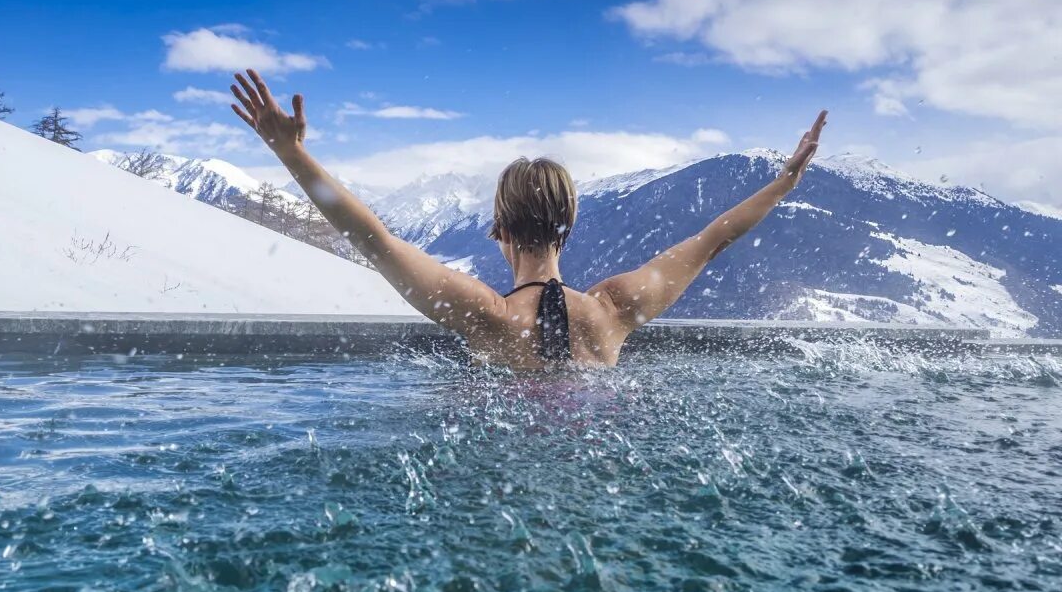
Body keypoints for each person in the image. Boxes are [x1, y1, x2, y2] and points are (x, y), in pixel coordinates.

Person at [230, 69, 827, 371]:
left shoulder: (483, 314)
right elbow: (712, 239)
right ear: (567, 226)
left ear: (500, 232)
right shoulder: (615, 309)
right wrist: (786, 179)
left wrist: (291, 151)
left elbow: (373, 237)